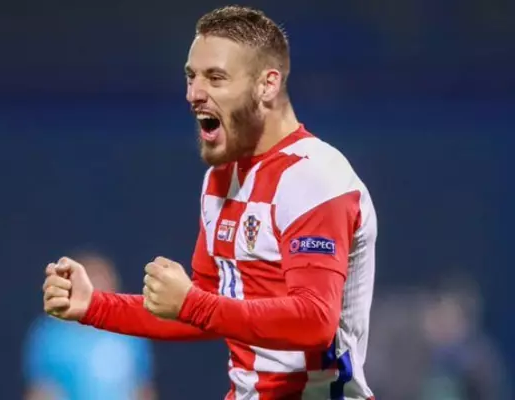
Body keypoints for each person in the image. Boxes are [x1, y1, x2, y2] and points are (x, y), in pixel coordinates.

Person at [42, 6, 377, 399]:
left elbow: (315, 321)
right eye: (191, 76)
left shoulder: (314, 176)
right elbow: (203, 310)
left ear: (267, 85)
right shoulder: (221, 179)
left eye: (215, 78)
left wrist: (194, 304)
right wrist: (94, 306)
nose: (194, 94)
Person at [24, 251, 156, 400]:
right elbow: (41, 390)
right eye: (91, 279)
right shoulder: (50, 335)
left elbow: (141, 388)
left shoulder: (131, 332)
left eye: (103, 281)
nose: (98, 288)